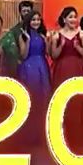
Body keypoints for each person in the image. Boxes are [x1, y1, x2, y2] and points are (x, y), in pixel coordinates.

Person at [50, 7, 83, 150]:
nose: (73, 19)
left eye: (75, 17)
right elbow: (54, 55)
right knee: (64, 102)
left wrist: (77, 47)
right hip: (62, 70)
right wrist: (61, 45)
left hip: (78, 68)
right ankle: (63, 137)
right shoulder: (57, 35)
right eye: (70, 17)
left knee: (78, 101)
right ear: (64, 19)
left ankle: (79, 138)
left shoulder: (81, 34)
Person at [16, 11, 51, 146]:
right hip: (29, 68)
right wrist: (28, 40)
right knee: (31, 99)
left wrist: (46, 41)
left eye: (38, 20)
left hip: (42, 66)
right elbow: (23, 55)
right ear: (28, 21)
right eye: (33, 20)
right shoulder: (23, 36)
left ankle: (41, 136)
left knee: (43, 99)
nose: (36, 22)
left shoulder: (42, 35)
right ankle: (29, 136)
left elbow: (48, 53)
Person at [0, 0, 35, 77]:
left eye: (28, 11)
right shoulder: (15, 30)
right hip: (20, 65)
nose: (26, 13)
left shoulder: (37, 28)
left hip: (36, 63)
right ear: (20, 12)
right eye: (24, 11)